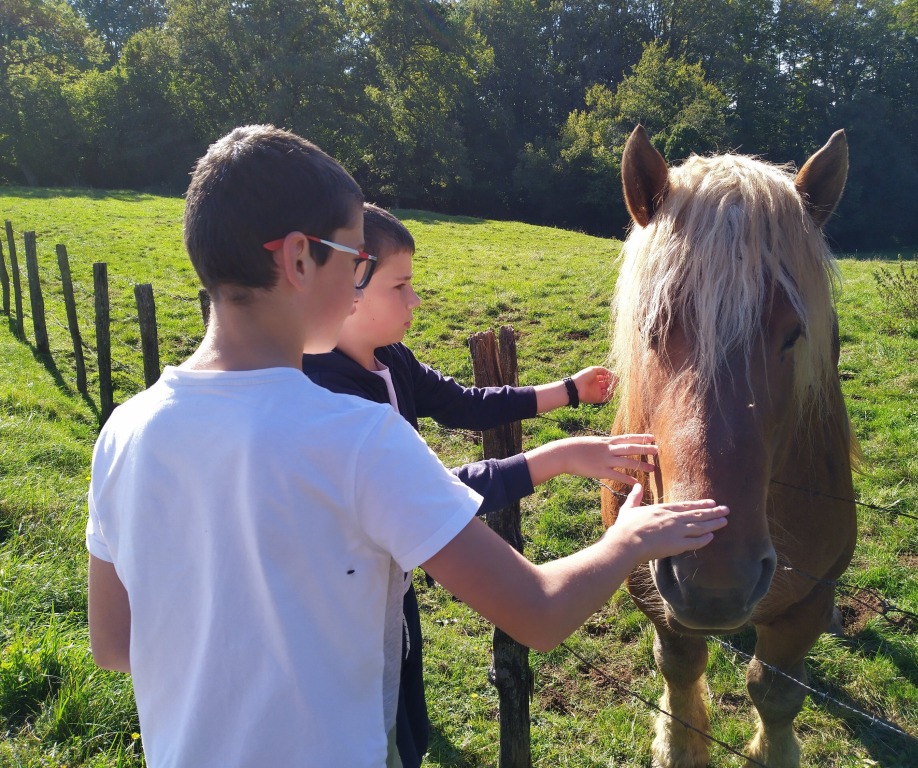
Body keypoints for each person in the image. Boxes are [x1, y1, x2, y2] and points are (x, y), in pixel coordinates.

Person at [86, 124, 729, 768]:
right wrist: (628, 540)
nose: (360, 281)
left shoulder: (125, 430)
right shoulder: (357, 438)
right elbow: (538, 613)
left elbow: (113, 644)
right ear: (300, 259)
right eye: (357, 261)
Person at [303, 202, 660, 767]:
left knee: (406, 724)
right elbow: (436, 494)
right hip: (345, 617)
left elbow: (464, 405)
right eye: (400, 286)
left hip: (390, 592)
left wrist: (568, 391)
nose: (415, 301)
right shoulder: (328, 397)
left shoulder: (389, 358)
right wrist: (559, 456)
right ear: (348, 287)